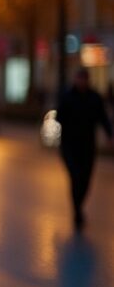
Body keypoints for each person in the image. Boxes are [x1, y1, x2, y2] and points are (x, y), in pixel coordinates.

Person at [55, 68, 111, 231]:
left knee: (86, 179)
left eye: (83, 79)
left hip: (87, 146)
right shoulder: (67, 97)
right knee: (75, 177)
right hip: (69, 146)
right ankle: (77, 210)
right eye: (79, 79)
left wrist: (109, 134)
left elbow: (103, 117)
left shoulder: (94, 98)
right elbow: (59, 117)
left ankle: (78, 206)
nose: (81, 82)